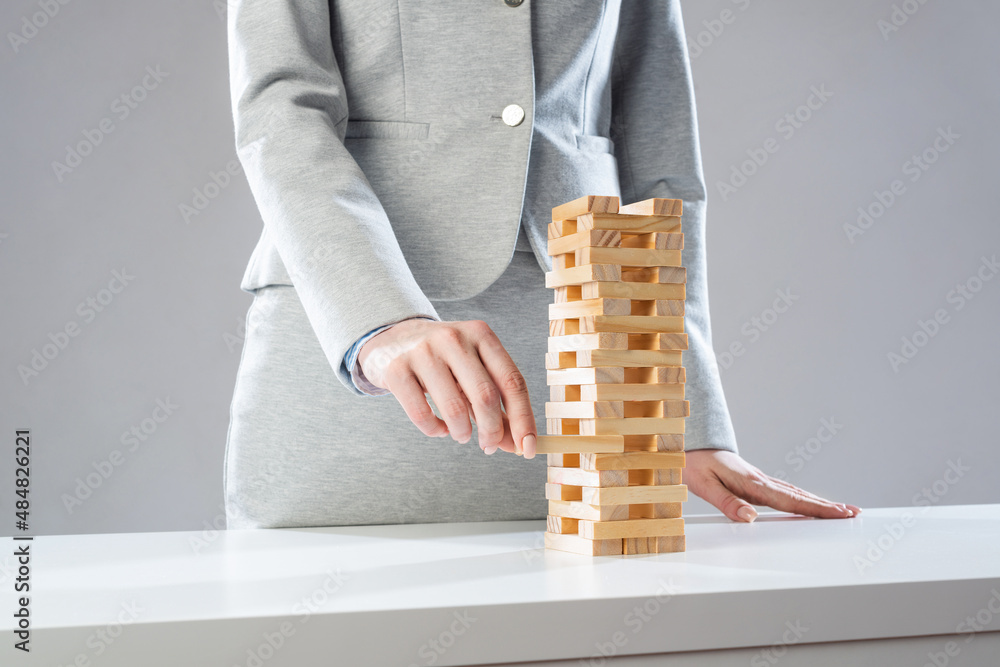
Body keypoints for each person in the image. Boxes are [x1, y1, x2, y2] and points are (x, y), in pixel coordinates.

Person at [223, 0, 860, 530]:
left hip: (596, 368)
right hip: (352, 337)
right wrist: (380, 323)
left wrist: (679, 403)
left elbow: (657, 154)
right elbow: (280, 111)